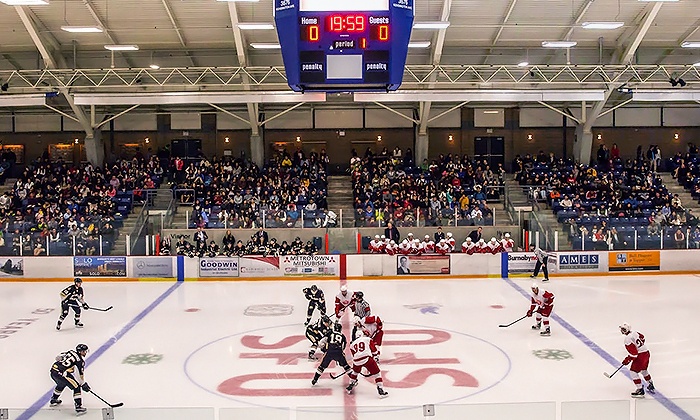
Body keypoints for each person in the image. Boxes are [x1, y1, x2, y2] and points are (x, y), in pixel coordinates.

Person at [49, 343, 91, 414]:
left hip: (53, 371)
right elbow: (79, 375)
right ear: (80, 351)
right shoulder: (80, 361)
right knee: (76, 387)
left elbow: (57, 357)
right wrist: (83, 384)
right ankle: (78, 407)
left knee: (61, 384)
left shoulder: (70, 352)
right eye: (84, 351)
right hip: (62, 373)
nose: (85, 353)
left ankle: (54, 399)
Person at [346, 329, 388, 398]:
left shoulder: (352, 344)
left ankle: (350, 385)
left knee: (355, 372)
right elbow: (374, 350)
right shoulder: (367, 339)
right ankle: (380, 390)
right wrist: (375, 358)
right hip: (367, 358)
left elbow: (354, 355)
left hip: (356, 360)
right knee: (377, 373)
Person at [619, 322, 656, 398]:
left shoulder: (627, 339)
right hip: (646, 352)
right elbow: (643, 337)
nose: (622, 331)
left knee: (633, 372)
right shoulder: (635, 332)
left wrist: (627, 360)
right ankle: (650, 384)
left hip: (640, 356)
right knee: (643, 370)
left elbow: (634, 354)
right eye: (622, 329)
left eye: (623, 329)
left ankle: (640, 389)